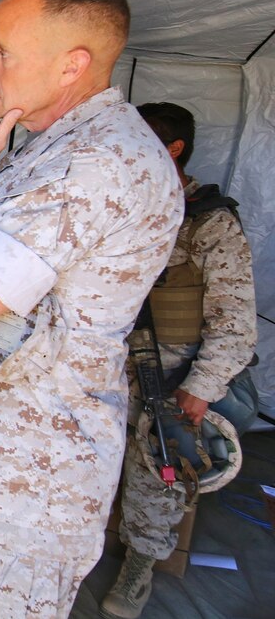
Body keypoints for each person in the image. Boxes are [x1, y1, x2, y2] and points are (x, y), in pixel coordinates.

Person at [0, 0, 183, 618]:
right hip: (10, 466)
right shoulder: (53, 147)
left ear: (72, 66)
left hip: (31, 488)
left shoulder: (90, 163)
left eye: (3, 51)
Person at [100, 103, 258, 619]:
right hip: (99, 367)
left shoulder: (208, 223)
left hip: (164, 378)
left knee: (156, 475)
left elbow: (235, 319)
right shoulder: (113, 205)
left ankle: (138, 568)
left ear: (173, 150)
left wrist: (203, 385)